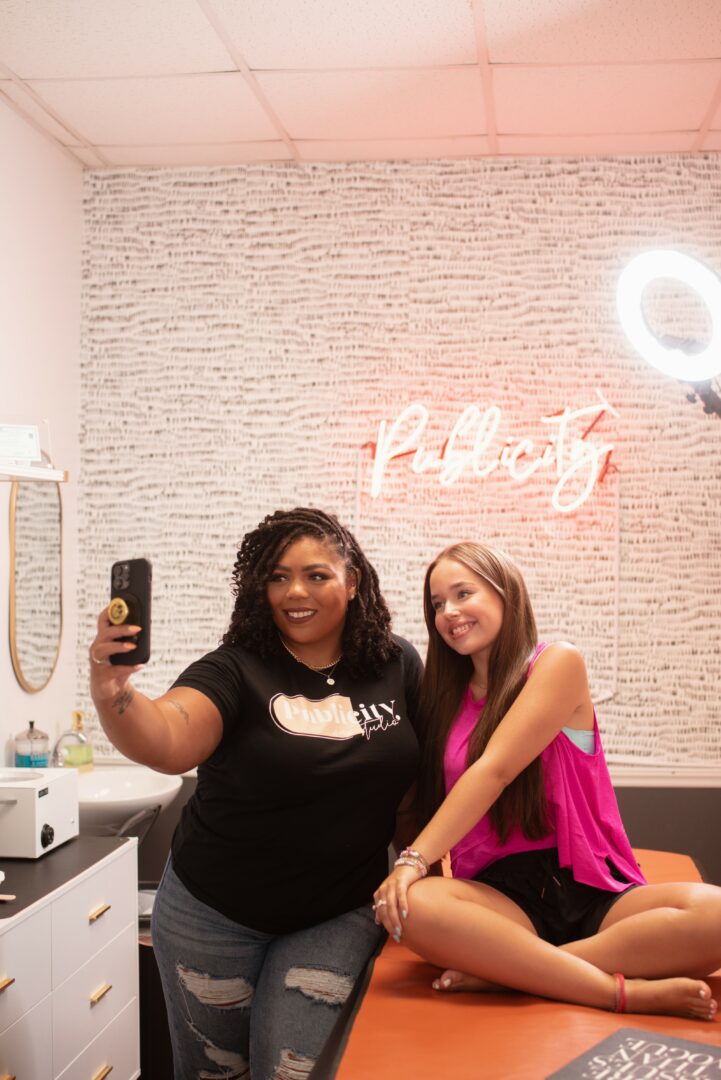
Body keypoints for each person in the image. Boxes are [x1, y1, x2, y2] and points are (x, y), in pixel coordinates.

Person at [89, 507, 423, 1079]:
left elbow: (412, 787)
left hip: (338, 912)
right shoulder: (236, 669)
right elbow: (168, 739)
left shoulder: (395, 663)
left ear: (352, 581)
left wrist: (422, 873)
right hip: (214, 916)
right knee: (216, 1072)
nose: (295, 592)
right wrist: (112, 688)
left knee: (294, 1070)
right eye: (277, 577)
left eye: (316, 575)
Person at [373, 541, 721, 1021]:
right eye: (437, 604)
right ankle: (614, 991)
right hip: (502, 900)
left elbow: (494, 770)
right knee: (414, 907)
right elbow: (420, 800)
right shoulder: (442, 701)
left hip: (591, 886)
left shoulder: (557, 662)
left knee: (716, 916)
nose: (448, 612)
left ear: (505, 593)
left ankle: (510, 973)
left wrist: (411, 861)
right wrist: (415, 879)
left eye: (463, 593)